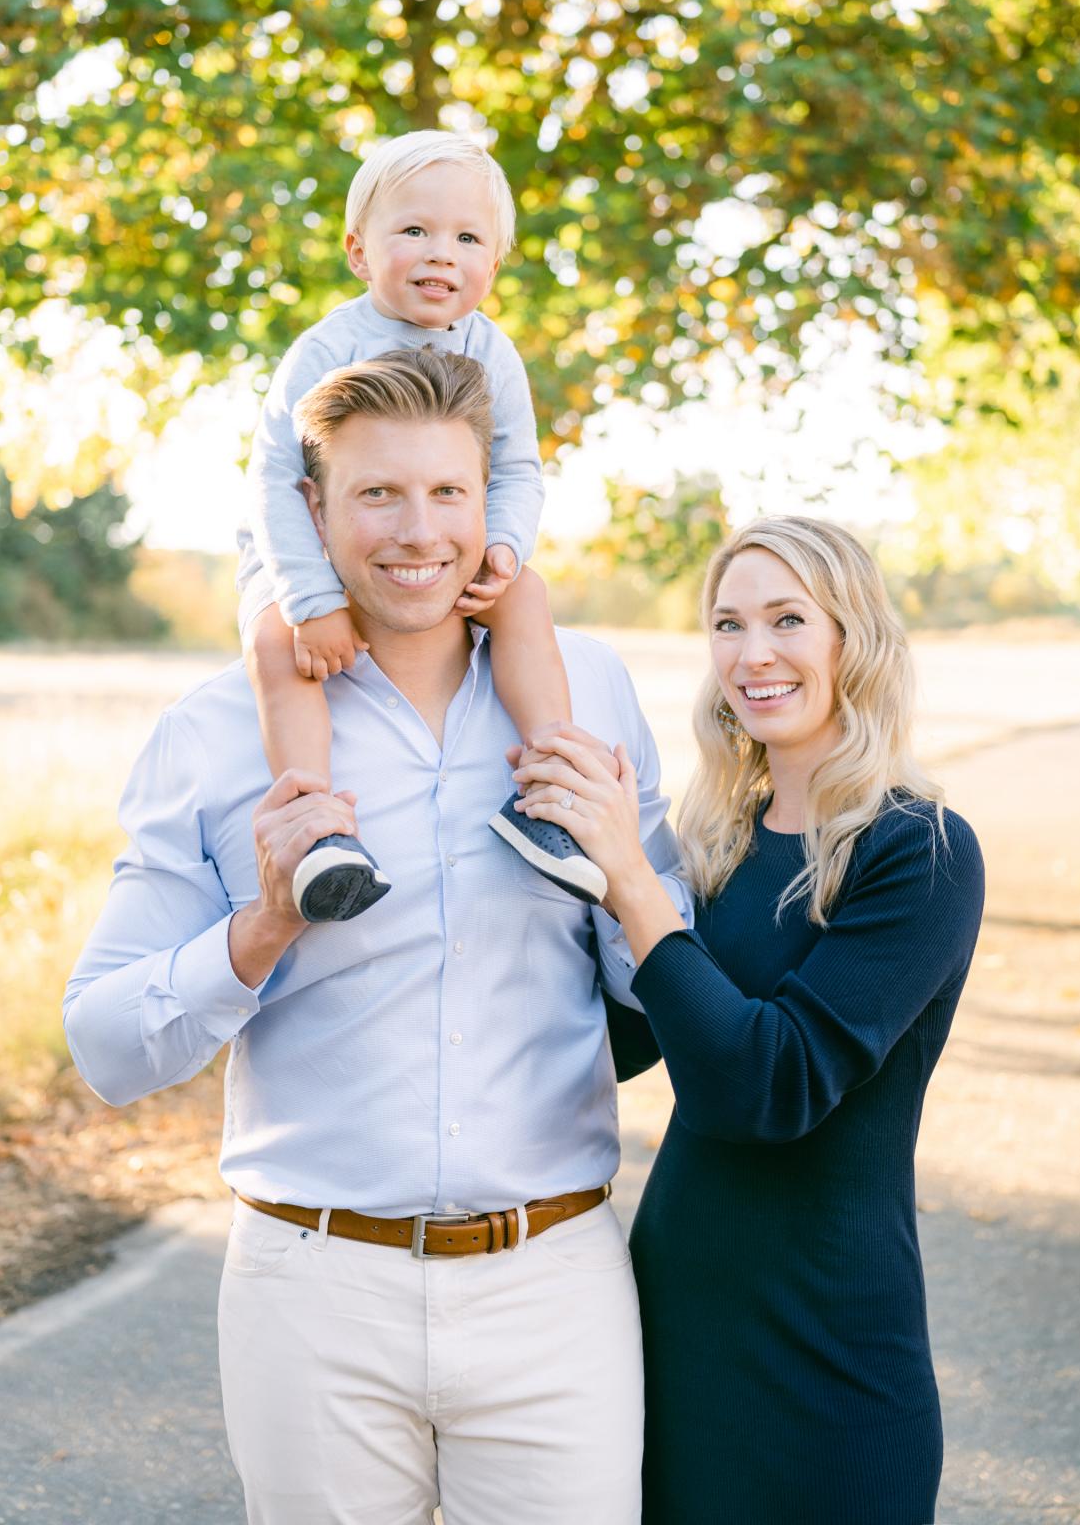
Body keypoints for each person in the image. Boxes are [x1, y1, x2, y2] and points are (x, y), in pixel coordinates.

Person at [64, 348, 689, 1525]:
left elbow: (661, 996)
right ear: (313, 511)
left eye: (449, 492)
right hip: (310, 1291)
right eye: (377, 494)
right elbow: (105, 1045)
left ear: (488, 501)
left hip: (555, 1283)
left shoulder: (589, 695)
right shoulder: (216, 733)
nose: (419, 530)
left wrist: (622, 874)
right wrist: (261, 925)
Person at [510, 515, 986, 1525]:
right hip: (674, 1328)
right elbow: (623, 1038)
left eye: (786, 619)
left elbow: (767, 1086)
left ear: (851, 637)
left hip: (834, 1354)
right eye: (727, 624)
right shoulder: (712, 842)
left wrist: (631, 884)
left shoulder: (922, 850)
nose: (752, 653)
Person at [237, 129, 603, 923]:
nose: (442, 253)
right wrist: (310, 599)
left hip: (436, 550)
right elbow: (272, 480)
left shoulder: (492, 353)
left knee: (526, 598)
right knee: (277, 645)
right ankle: (318, 832)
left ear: (492, 266)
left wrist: (502, 546)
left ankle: (549, 793)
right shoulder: (327, 349)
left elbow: (514, 469)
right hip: (305, 547)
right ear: (360, 251)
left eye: (468, 238)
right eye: (414, 231)